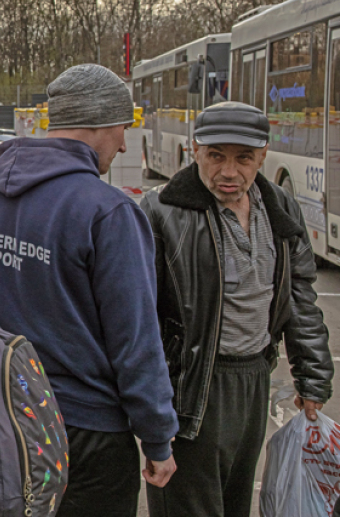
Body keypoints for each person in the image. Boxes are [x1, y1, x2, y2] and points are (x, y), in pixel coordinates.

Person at [0, 64, 178, 517]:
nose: (122, 144)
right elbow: (135, 338)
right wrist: (156, 436)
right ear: (101, 122)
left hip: (1, 416)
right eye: (122, 128)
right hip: (85, 430)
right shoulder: (107, 211)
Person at [141, 101, 333, 517]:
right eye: (216, 156)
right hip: (190, 386)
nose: (229, 172)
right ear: (195, 150)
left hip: (253, 380)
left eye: (243, 158)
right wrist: (153, 413)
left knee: (234, 504)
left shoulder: (279, 205)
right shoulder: (162, 210)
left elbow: (299, 295)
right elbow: (143, 319)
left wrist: (312, 377)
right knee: (188, 507)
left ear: (263, 156)